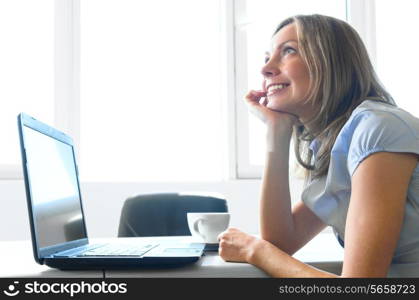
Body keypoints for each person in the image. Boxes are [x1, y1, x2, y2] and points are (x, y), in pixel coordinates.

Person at [218, 14, 419, 277]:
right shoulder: (338, 146)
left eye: (288, 51)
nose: (265, 69)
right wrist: (277, 133)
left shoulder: (378, 127)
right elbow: (280, 242)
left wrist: (255, 250)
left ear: (331, 63)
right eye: (267, 57)